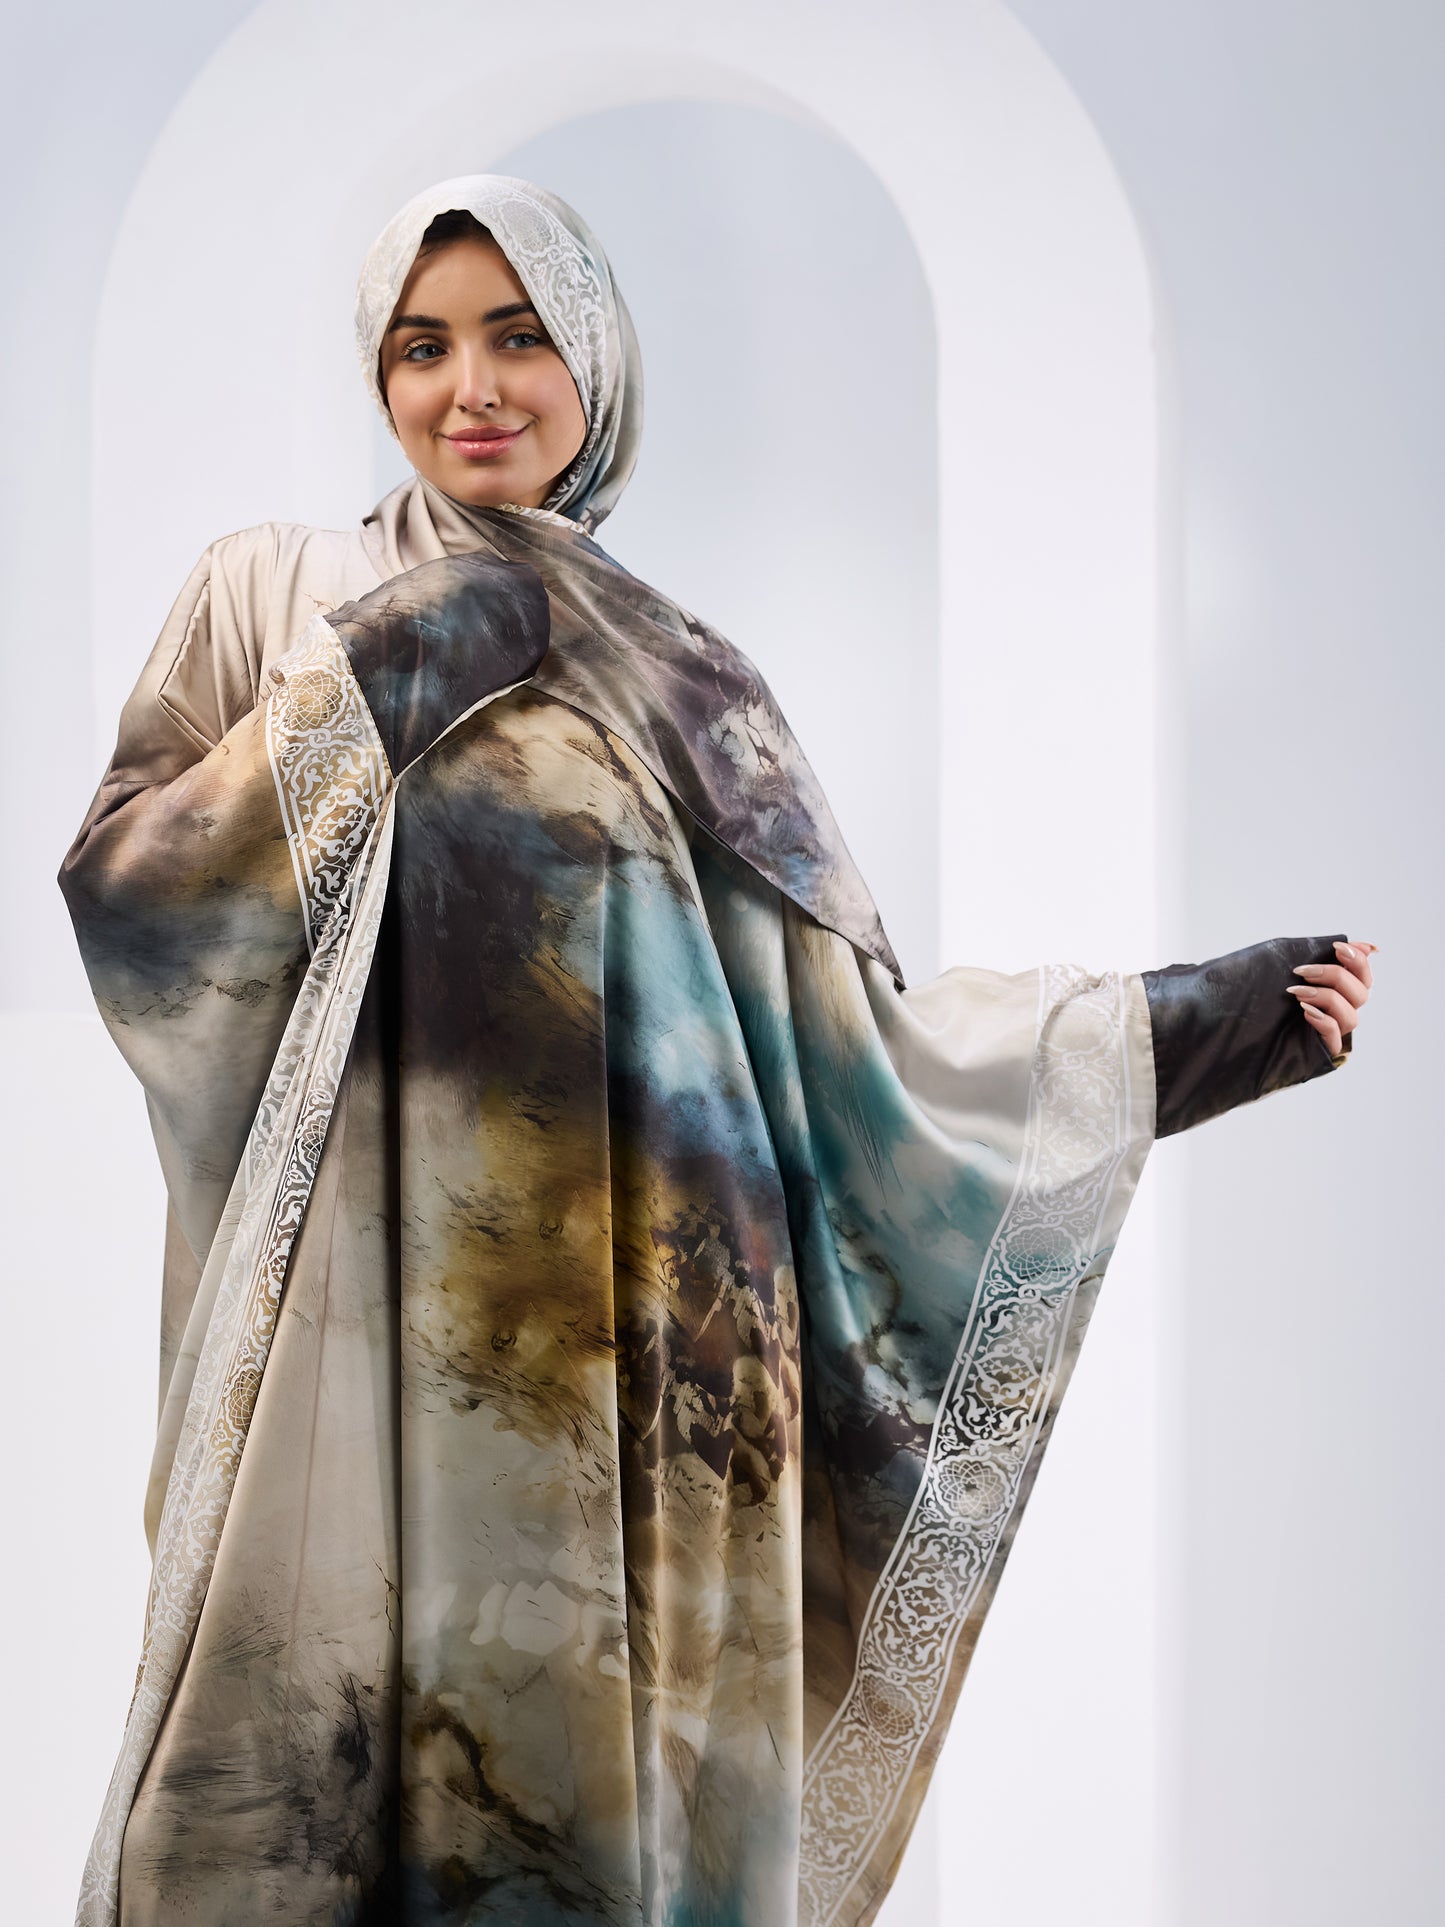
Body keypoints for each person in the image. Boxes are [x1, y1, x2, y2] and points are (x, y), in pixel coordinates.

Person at [58, 174, 1374, 1927]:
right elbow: (129, 898)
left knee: (575, 1817)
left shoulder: (695, 688)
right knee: (303, 1792)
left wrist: (1187, 1031)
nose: (472, 389)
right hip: (357, 1337)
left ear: (597, 363)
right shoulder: (276, 591)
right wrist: (369, 676)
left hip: (641, 1369)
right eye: (422, 347)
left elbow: (848, 1054)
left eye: (520, 338)